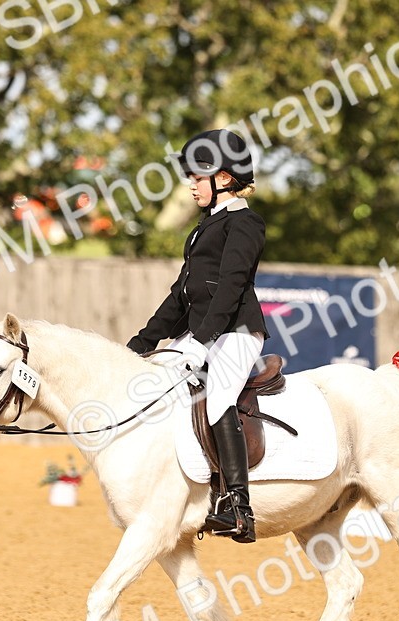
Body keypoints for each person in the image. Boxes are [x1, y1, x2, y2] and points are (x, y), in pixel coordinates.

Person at [127, 129, 268, 544]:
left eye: (196, 176)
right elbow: (180, 297)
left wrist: (200, 341)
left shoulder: (245, 223)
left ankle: (238, 507)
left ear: (223, 179)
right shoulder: (203, 228)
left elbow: (230, 288)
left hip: (237, 332)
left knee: (220, 396)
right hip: (202, 334)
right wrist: (141, 343)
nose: (189, 183)